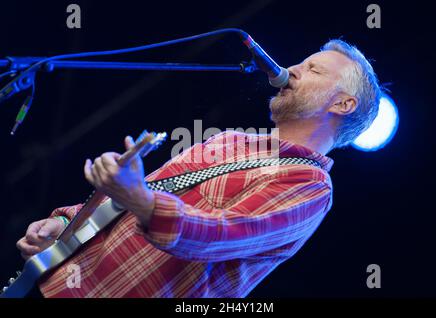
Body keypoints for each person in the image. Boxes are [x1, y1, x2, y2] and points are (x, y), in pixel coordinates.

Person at [16, 39, 381, 298]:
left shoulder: (311, 185)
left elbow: (218, 235)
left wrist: (141, 199)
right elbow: (133, 204)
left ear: (344, 104)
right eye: (301, 63)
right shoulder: (229, 141)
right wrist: (65, 224)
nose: (291, 71)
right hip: (55, 281)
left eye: (312, 69)